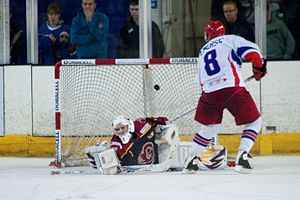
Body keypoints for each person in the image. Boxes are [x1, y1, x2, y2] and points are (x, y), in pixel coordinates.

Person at [183, 20, 267, 174]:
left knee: (208, 128)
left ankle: (191, 161)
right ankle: (242, 157)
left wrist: (209, 96)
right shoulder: (230, 39)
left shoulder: (202, 52)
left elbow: (200, 81)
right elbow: (254, 53)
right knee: (254, 122)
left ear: (208, 34)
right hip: (232, 89)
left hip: (208, 93)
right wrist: (260, 66)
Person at [85, 115, 179, 174]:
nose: (120, 131)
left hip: (156, 167)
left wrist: (164, 126)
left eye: (122, 128)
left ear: (129, 125)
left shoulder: (142, 125)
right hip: (138, 176)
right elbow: (115, 161)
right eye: (117, 129)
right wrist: (101, 160)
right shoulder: (116, 140)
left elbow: (157, 121)